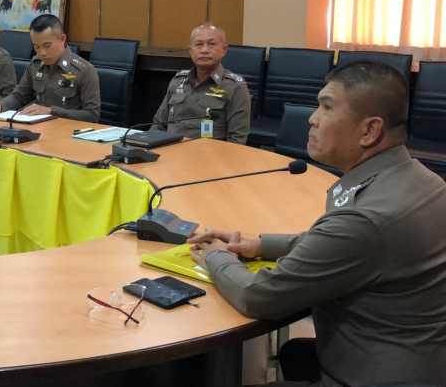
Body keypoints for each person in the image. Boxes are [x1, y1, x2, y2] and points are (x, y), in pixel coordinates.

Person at [187, 61, 446, 387]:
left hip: (366, 376)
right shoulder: (423, 180)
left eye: (326, 107)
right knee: (295, 353)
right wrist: (259, 245)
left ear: (369, 130)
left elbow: (258, 297)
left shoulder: (364, 221)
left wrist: (216, 256)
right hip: (415, 363)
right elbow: (339, 244)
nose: (312, 118)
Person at [0, 15, 100, 123]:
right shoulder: (36, 64)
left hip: (69, 134)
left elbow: (92, 115)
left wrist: (50, 111)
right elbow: (19, 96)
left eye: (47, 46)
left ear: (62, 39)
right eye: (36, 47)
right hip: (38, 130)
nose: (42, 53)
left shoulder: (84, 70)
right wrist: (0, 106)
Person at [151, 23, 250, 144]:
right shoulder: (178, 82)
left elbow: (236, 141)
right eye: (199, 44)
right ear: (190, 50)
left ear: (224, 50)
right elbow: (158, 126)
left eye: (211, 44)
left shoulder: (234, 87)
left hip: (209, 158)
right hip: (170, 155)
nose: (204, 50)